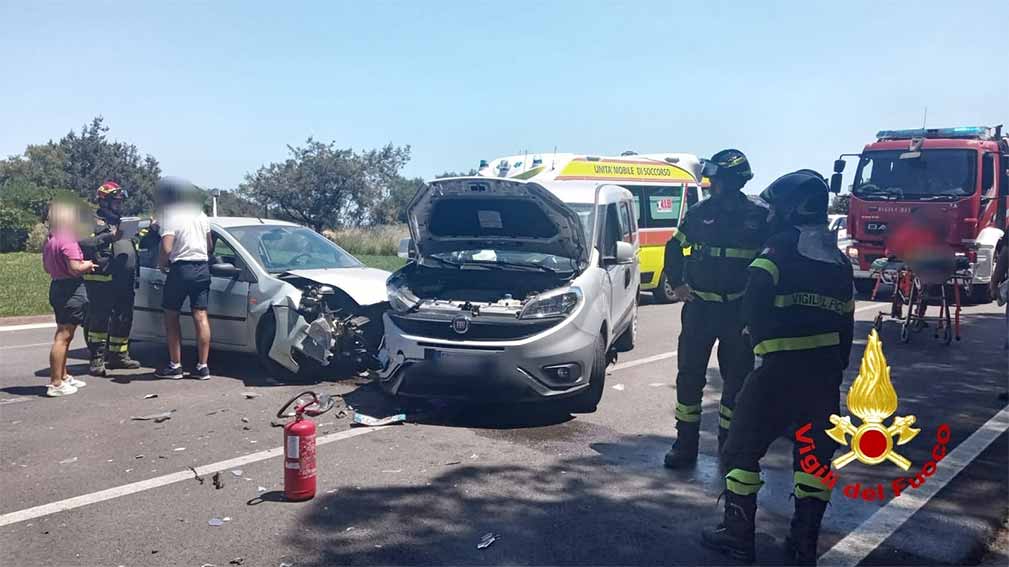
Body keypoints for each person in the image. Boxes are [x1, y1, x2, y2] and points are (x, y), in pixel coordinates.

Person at [701, 170, 854, 565]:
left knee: (741, 449)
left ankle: (738, 536)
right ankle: (804, 544)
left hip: (775, 374)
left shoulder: (777, 251)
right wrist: (832, 373)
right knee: (814, 460)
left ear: (789, 209)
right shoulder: (838, 261)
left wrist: (757, 347)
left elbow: (752, 306)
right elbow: (846, 327)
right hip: (821, 380)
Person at [662, 149, 770, 468]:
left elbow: (772, 259)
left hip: (738, 312)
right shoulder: (699, 212)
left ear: (732, 180)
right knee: (689, 378)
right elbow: (674, 247)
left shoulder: (759, 215)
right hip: (701, 310)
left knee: (736, 381)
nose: (710, 184)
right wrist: (678, 284)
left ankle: (729, 448)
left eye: (716, 178)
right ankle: (685, 445)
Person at [78, 182, 141, 376]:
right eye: (115, 201)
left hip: (125, 278)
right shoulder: (91, 221)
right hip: (102, 278)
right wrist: (109, 237)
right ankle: (97, 358)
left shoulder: (123, 221)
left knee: (124, 317)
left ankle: (118, 355)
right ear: (104, 201)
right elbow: (83, 242)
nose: (119, 204)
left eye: (120, 201)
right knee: (99, 319)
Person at [153, 177, 214, 380]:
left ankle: (175, 365)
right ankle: (203, 366)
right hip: (202, 267)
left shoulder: (171, 216)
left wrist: (162, 264)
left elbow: (167, 247)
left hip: (181, 268)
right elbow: (210, 246)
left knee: (171, 316)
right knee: (201, 316)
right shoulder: (202, 215)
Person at [42, 199, 95, 397]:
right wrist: (87, 265)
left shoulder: (50, 239)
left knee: (64, 333)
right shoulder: (68, 240)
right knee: (63, 337)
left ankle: (63, 375)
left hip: (56, 286)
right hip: (70, 288)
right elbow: (75, 268)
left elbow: (46, 267)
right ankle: (56, 382)